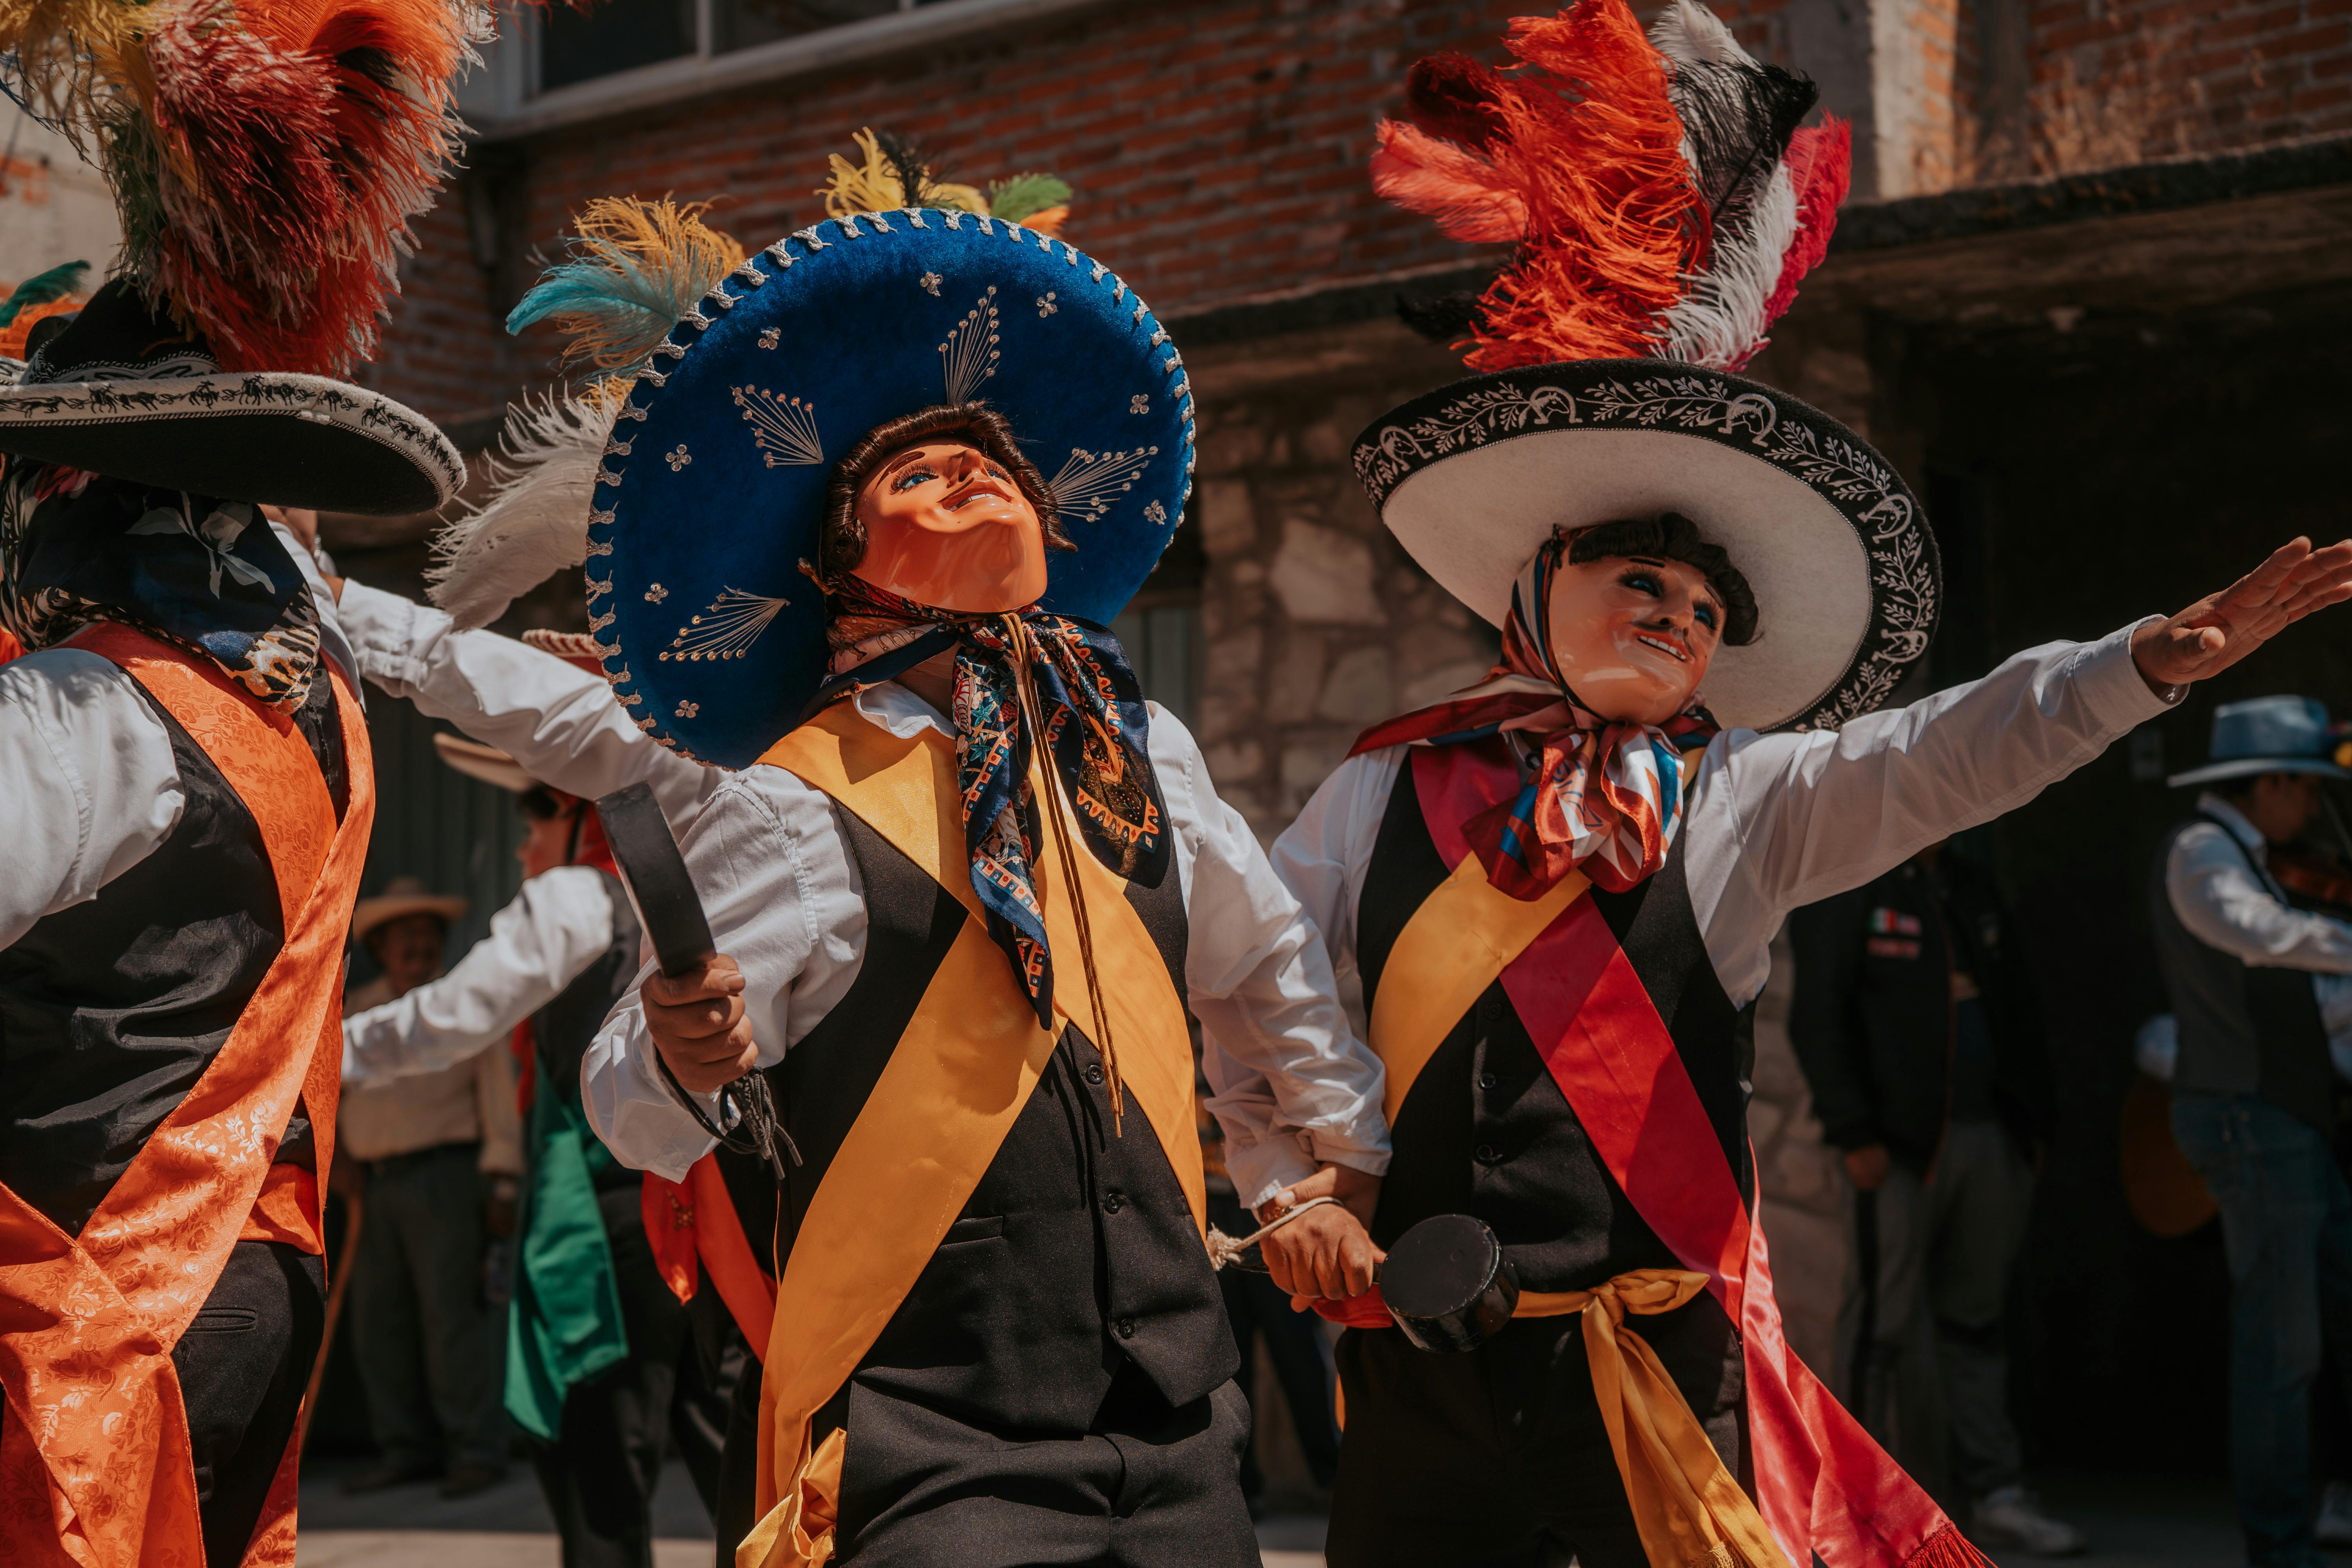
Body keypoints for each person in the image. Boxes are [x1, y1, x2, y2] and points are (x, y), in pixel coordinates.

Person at [1248, 6, 2352, 1567]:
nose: (1678, 618)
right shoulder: (1379, 795)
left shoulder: (1748, 798)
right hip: (1418, 1371)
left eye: (1706, 612)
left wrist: (2136, 670)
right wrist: (1300, 1182)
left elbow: (1942, 755)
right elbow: (1265, 985)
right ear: (1532, 597)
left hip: (1653, 1373)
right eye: (1641, 581)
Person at [496, 148, 1389, 1568]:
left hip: (1180, 1424)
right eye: (917, 470)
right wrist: (680, 1047)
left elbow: (1264, 960)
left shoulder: (1137, 750)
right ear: (835, 570)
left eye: (998, 464)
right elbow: (631, 1104)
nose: (975, 469)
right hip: (926, 1444)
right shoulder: (783, 798)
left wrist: (1322, 1167)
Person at [0, 290, 460, 1562]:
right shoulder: (310, 701)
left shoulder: (81, 704)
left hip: (99, 1297)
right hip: (250, 1271)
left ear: (70, 493)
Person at [339, 643, 740, 1568]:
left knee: (599, 1461)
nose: (522, 847)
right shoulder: (695, 896)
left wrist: (316, 1055)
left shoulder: (576, 897)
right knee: (726, 1449)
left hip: (608, 1226)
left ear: (574, 810)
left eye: (533, 817)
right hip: (706, 1220)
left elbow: (447, 1019)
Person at [1788, 844, 2083, 1554]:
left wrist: (2032, 1124)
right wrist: (1853, 1128)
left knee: (1977, 1321)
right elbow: (1818, 1012)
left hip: (1990, 1137)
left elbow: (2022, 1008)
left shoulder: (1971, 883)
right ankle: (1864, 1505)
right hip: (1895, 1148)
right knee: (1880, 1325)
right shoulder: (1852, 876)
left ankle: (1995, 1492)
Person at [2154, 695, 2352, 1568]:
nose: (2312, 806)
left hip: (2288, 1118)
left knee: (2322, 1319)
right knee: (2282, 1344)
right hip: (2249, 1117)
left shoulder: (2254, 854)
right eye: (2304, 787)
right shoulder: (2202, 850)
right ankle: (2279, 1548)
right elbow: (2250, 930)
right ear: (2267, 784)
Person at [337, 877, 522, 1499]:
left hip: (447, 1179)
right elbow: (329, 1096)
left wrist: (503, 1182)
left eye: (426, 934)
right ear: (381, 948)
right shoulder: (356, 1012)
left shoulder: (462, 1007)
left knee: (452, 1322)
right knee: (378, 1324)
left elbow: (499, 1097)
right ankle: (403, 1450)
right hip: (372, 1188)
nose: (416, 947)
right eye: (403, 937)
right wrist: (337, 1161)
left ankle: (475, 1452)